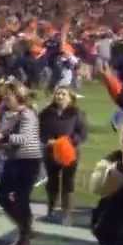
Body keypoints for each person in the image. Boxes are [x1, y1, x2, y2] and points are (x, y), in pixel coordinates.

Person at [0, 80, 43, 245]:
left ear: (19, 97)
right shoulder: (7, 114)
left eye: (9, 96)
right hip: (12, 160)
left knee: (21, 198)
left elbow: (24, 139)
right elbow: (7, 136)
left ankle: (24, 235)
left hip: (28, 161)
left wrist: (1, 138)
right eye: (5, 96)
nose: (5, 99)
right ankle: (25, 225)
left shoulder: (28, 114)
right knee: (1, 194)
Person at [38, 86, 88, 224]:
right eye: (58, 93)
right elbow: (40, 130)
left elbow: (82, 133)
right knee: (52, 181)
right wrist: (47, 140)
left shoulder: (77, 113)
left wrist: (66, 142)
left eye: (63, 94)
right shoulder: (46, 113)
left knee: (68, 182)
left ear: (70, 98)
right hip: (50, 151)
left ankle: (67, 214)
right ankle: (51, 210)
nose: (59, 96)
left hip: (69, 152)